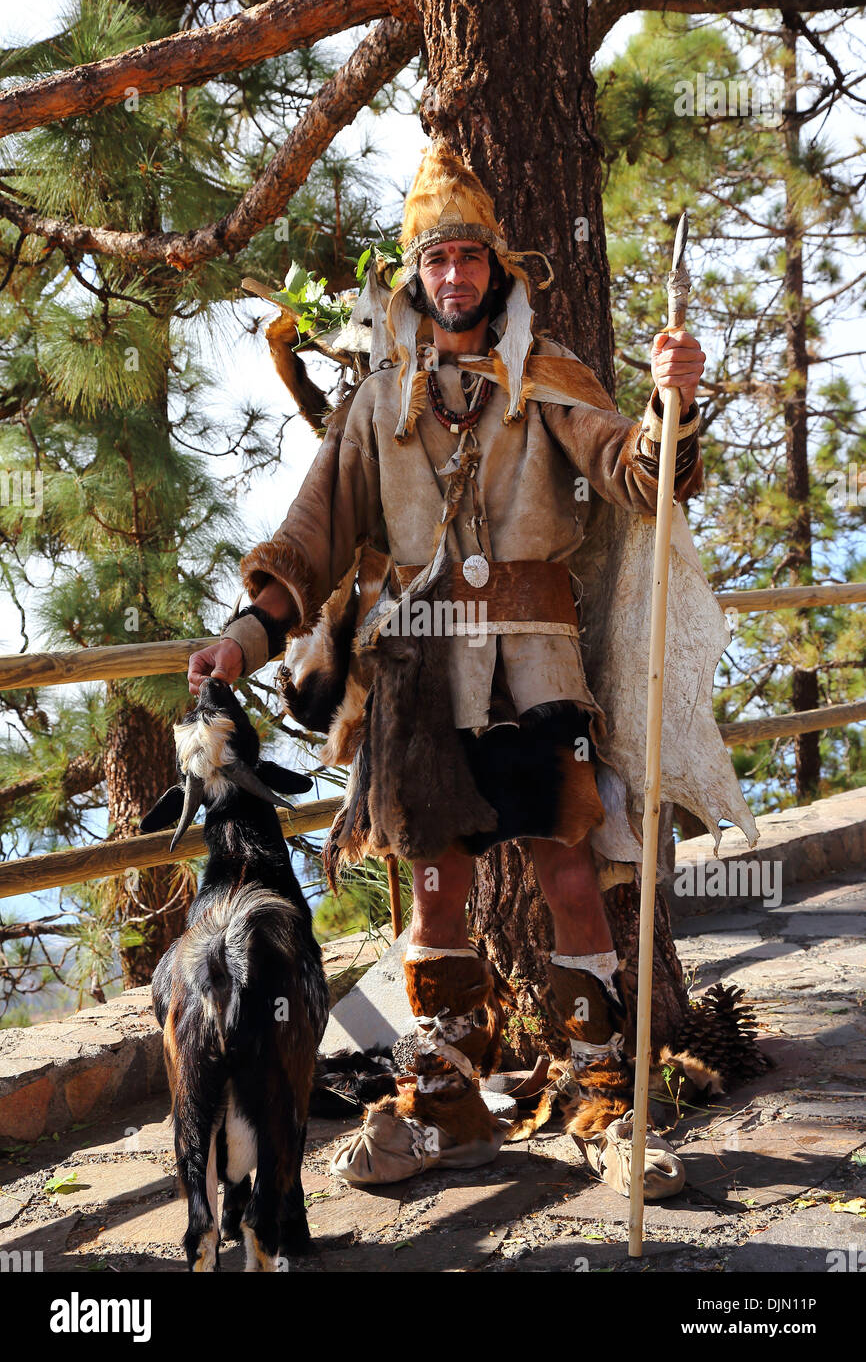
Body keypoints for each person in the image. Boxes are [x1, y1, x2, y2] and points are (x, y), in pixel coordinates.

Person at [188, 144, 707, 1197]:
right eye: (438, 262)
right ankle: (449, 1098)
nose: (455, 277)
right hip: (418, 683)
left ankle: (600, 1090)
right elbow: (306, 542)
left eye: (470, 258)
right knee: (432, 890)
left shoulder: (543, 376)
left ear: (495, 271)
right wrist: (242, 640)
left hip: (536, 668)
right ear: (414, 278)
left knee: (566, 871)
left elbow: (634, 472)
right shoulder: (374, 403)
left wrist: (668, 402)